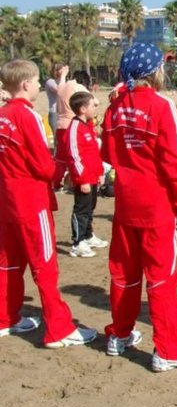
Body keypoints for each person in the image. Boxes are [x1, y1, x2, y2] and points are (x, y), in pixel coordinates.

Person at [101, 42, 177, 371]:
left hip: (126, 202)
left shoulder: (114, 107)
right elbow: (173, 162)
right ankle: (169, 351)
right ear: (154, 71)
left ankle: (119, 334)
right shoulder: (162, 106)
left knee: (124, 274)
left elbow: (107, 154)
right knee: (161, 280)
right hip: (156, 205)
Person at [0, 59, 97, 348]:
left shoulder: (2, 114)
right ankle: (59, 329)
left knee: (8, 263)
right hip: (31, 200)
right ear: (26, 84)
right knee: (44, 266)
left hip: (6, 199)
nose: (41, 86)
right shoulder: (26, 116)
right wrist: (61, 171)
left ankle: (5, 317)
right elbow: (42, 165)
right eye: (37, 81)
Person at [66, 91, 108, 258]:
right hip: (83, 178)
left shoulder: (88, 125)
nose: (95, 107)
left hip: (92, 176)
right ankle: (77, 242)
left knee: (90, 207)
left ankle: (88, 236)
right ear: (83, 109)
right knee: (81, 210)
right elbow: (74, 156)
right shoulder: (75, 127)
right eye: (92, 106)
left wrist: (99, 173)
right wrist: (82, 179)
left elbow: (93, 154)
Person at [53, 69, 90, 189]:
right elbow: (91, 100)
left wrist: (63, 74)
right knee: (77, 156)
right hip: (73, 126)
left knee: (60, 158)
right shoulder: (79, 87)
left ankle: (56, 182)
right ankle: (77, 181)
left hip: (60, 125)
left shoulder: (62, 86)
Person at [45, 63, 67, 136]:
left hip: (63, 112)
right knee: (57, 137)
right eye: (62, 69)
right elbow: (60, 91)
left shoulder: (63, 82)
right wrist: (63, 76)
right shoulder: (50, 82)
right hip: (55, 113)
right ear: (56, 71)